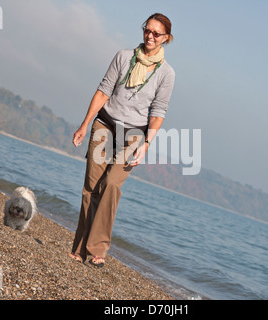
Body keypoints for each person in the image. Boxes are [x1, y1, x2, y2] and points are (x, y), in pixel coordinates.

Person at [69, 13, 175, 268]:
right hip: (104, 125)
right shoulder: (123, 56)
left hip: (134, 136)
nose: (149, 36)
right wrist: (85, 124)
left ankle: (99, 247)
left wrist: (146, 145)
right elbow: (104, 90)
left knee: (112, 185)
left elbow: (158, 113)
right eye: (146, 30)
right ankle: (80, 248)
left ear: (166, 39)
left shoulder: (166, 74)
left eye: (156, 33)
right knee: (92, 189)